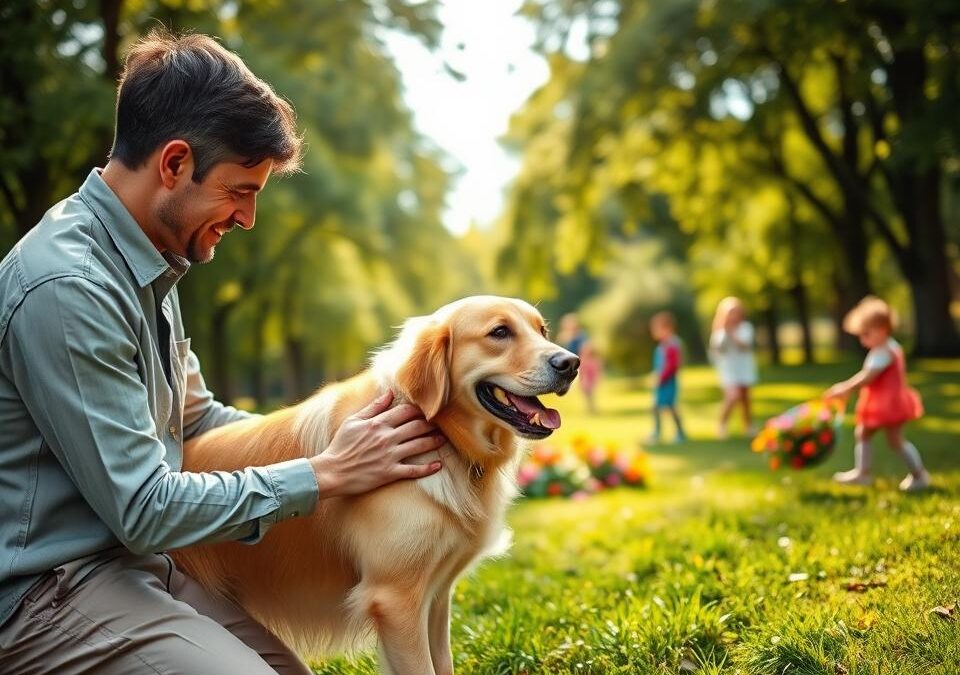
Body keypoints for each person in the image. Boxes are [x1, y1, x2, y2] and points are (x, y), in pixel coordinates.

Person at [0, 30, 446, 674]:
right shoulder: (70, 288)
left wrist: (343, 438)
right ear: (175, 163)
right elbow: (143, 508)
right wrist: (322, 476)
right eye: (241, 190)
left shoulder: (149, 257)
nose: (248, 218)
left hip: (136, 567)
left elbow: (195, 423)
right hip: (43, 595)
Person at [824, 296, 930, 492]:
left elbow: (868, 376)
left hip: (888, 404)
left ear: (882, 329)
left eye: (866, 334)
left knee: (895, 440)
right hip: (883, 402)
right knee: (863, 432)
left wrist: (845, 388)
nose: (863, 341)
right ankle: (863, 473)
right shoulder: (886, 347)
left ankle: (919, 475)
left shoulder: (884, 351)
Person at [709, 296, 758, 438]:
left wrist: (732, 334)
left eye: (736, 312)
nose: (733, 316)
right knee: (732, 396)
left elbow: (745, 346)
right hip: (728, 369)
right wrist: (726, 332)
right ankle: (722, 425)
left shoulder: (745, 328)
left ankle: (748, 426)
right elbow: (717, 349)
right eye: (730, 312)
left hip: (744, 367)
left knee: (745, 399)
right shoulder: (719, 331)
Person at [648, 311, 687, 444]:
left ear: (667, 328)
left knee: (670, 407)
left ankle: (680, 433)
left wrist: (661, 378)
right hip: (662, 381)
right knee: (656, 406)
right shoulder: (662, 346)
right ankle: (657, 432)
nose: (654, 332)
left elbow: (671, 366)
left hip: (668, 382)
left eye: (656, 329)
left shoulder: (672, 345)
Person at [557, 312, 601, 414]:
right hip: (569, 364)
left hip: (582, 362)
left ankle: (591, 406)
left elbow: (586, 347)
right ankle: (590, 405)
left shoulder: (581, 335)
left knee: (587, 385)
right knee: (582, 386)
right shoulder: (563, 337)